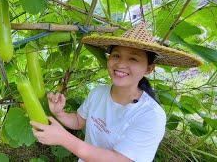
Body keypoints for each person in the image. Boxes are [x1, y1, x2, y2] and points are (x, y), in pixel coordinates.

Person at [30, 22, 203, 162]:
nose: (120, 64)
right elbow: (78, 121)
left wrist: (64, 139)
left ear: (148, 69)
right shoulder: (98, 93)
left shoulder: (151, 115)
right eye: (116, 55)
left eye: (133, 58)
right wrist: (59, 113)